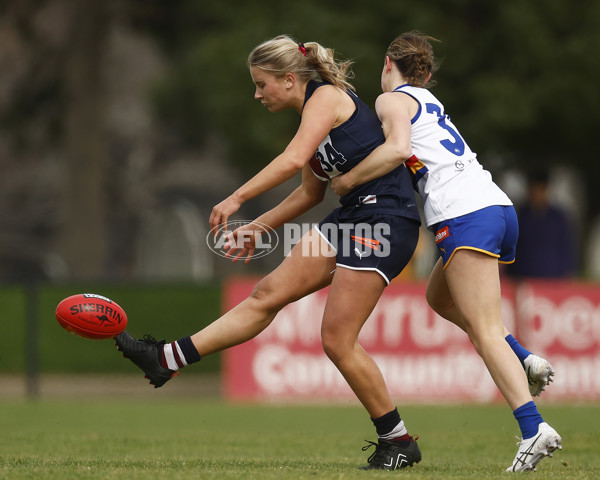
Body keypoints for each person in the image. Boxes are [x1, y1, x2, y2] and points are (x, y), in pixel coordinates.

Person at [115, 35, 422, 471]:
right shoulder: (314, 117)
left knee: (336, 339)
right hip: (352, 216)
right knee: (266, 293)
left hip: (386, 221)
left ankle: (398, 441)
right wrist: (256, 229)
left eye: (262, 84)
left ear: (289, 79)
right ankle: (166, 358)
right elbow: (308, 194)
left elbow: (291, 157)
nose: (257, 94)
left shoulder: (327, 97)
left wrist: (236, 199)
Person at [330, 31, 562, 472]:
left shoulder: (391, 99)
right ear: (428, 74)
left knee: (484, 330)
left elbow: (397, 149)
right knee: (439, 298)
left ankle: (533, 428)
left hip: (464, 214)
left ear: (387, 64)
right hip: (495, 206)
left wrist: (347, 180)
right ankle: (525, 357)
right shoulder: (428, 102)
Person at [506, 167, 577, 279]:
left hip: (552, 279)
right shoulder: (520, 215)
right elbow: (512, 246)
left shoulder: (558, 218)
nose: (537, 193)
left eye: (540, 189)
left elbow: (566, 248)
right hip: (523, 279)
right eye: (534, 188)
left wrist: (567, 274)